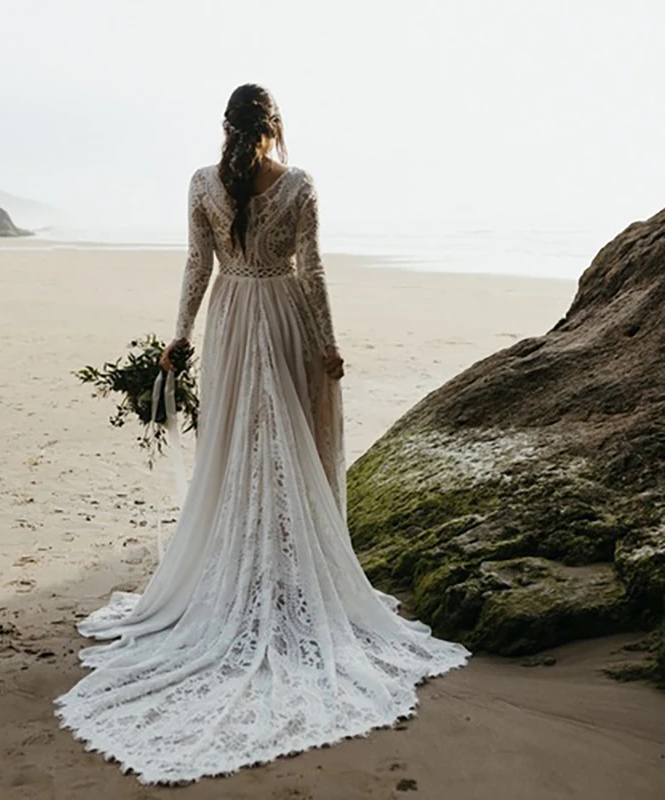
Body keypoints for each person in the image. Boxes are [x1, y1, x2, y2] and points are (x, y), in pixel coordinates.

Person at [54, 83, 469, 785]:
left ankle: (249, 572)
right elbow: (313, 274)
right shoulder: (300, 185)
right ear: (275, 127)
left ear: (226, 126)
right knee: (287, 445)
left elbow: (196, 267)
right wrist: (330, 345)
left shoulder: (201, 185)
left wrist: (180, 337)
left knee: (241, 447)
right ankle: (283, 575)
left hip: (231, 318)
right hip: (280, 319)